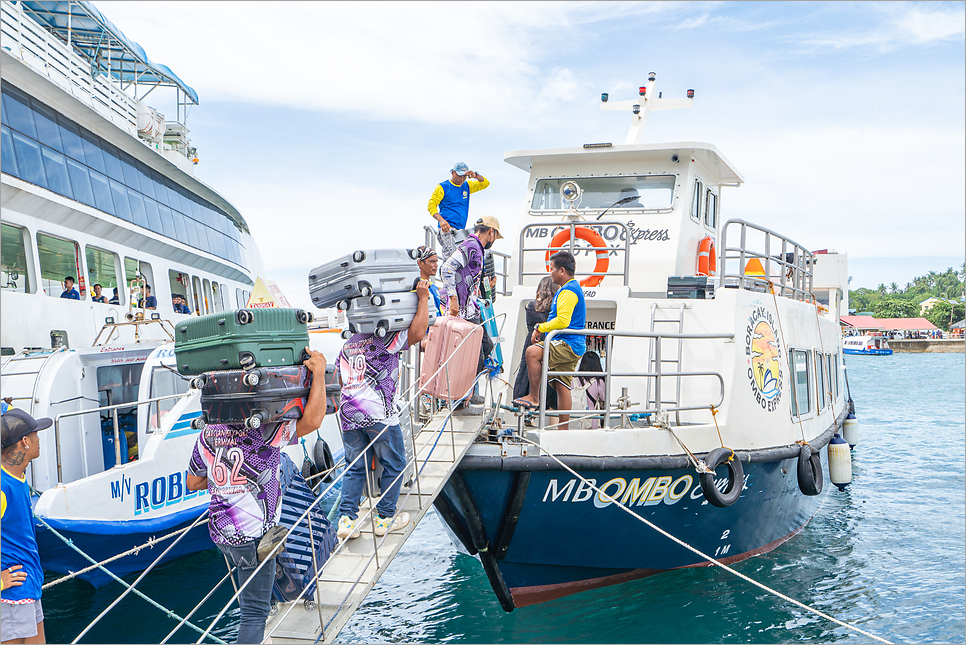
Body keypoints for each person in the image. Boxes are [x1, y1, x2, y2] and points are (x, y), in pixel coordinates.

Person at [186, 348, 328, 645]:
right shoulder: (264, 432)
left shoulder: (208, 433)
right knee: (254, 613)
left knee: (252, 590)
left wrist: (226, 480)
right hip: (252, 536)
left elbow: (193, 481)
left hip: (221, 532)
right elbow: (313, 421)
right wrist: (318, 375)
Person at [336, 281, 430, 541]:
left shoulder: (349, 344)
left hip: (348, 411)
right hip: (378, 413)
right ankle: (385, 518)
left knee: (355, 466)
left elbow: (340, 380)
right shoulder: (385, 339)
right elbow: (418, 333)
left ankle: (347, 519)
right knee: (395, 463)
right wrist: (422, 298)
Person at [513, 251, 586, 430]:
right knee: (562, 385)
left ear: (562, 270)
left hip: (567, 344)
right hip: (574, 345)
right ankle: (563, 429)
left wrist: (540, 327)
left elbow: (563, 321)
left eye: (552, 269)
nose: (550, 272)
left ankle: (534, 397)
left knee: (531, 352)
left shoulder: (568, 292)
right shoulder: (571, 288)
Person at [1, 409, 53, 645]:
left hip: (28, 584)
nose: (39, 440)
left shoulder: (17, 476)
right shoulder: (3, 487)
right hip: (12, 591)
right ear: (25, 442)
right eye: (36, 434)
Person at [439, 216, 502, 398]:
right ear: (491, 232)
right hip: (463, 311)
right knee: (474, 356)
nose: (494, 240)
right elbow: (447, 268)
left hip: (471, 308)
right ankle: (465, 397)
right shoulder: (472, 246)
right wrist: (453, 298)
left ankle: (468, 394)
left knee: (486, 347)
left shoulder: (476, 248)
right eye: (495, 236)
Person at [512, 276, 559, 407]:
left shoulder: (531, 307)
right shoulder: (555, 309)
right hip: (550, 341)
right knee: (550, 377)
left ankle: (527, 412)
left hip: (532, 341)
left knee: (528, 374)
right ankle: (551, 414)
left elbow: (529, 327)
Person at [427, 162, 490, 260]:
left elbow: (485, 184)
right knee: (451, 258)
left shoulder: (466, 186)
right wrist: (441, 220)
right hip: (447, 228)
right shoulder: (443, 187)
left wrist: (476, 175)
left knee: (461, 259)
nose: (461, 179)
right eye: (459, 176)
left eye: (464, 176)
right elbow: (431, 206)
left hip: (460, 230)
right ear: (453, 173)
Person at [572, 351, 606, 429]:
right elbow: (604, 398)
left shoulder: (573, 379)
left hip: (574, 417)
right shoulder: (599, 382)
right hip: (590, 417)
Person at [414, 246, 445, 319]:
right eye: (432, 261)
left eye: (436, 261)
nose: (436, 265)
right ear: (420, 263)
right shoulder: (416, 285)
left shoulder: (434, 287)